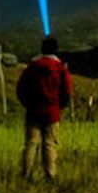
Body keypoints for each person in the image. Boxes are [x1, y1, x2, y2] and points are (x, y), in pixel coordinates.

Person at [16, 35, 73, 181]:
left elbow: (20, 88)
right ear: (56, 50)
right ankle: (50, 175)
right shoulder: (60, 69)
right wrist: (59, 106)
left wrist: (28, 103)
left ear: (42, 48)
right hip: (52, 112)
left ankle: (26, 174)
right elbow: (67, 91)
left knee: (31, 143)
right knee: (50, 144)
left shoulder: (31, 67)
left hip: (33, 111)